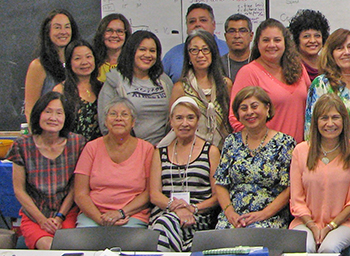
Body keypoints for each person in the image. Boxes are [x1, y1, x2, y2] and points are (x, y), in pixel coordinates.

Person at [290, 93, 350, 253]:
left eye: (335, 117)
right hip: (305, 222)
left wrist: (330, 227)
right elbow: (297, 200)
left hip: (346, 223)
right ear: (315, 122)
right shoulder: (300, 151)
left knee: (328, 248)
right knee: (305, 248)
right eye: (324, 118)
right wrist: (312, 226)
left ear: (343, 120)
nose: (330, 123)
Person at [7, 92, 87, 249]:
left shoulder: (77, 143)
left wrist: (60, 216)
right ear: (38, 114)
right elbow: (19, 191)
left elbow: (74, 188)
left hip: (67, 214)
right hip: (35, 215)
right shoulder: (22, 145)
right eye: (48, 111)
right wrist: (42, 220)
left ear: (66, 117)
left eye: (59, 113)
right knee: (48, 246)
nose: (53, 118)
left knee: (67, 247)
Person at [216, 86, 295, 229]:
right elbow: (221, 184)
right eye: (243, 108)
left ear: (267, 109)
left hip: (269, 217)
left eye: (254, 106)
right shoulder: (230, 142)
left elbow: (289, 189)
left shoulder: (285, 143)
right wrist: (230, 213)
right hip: (234, 217)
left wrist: (263, 214)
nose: (249, 112)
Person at [148, 97, 221, 252]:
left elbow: (217, 196)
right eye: (179, 118)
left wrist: (192, 208)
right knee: (166, 223)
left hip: (198, 216)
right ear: (171, 121)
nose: (185, 123)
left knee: (164, 229)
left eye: (190, 118)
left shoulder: (211, 151)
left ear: (198, 120)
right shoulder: (159, 152)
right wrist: (176, 208)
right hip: (165, 213)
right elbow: (154, 194)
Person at [73, 97, 154, 228]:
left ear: (133, 122)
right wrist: (100, 219)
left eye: (124, 114)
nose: (118, 118)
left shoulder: (147, 149)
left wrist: (120, 213)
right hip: (94, 215)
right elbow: (80, 194)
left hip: (131, 215)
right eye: (113, 114)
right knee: (85, 241)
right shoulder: (91, 147)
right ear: (105, 121)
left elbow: (149, 192)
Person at [229, 19, 310, 141]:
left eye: (277, 40)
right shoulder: (249, 73)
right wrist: (261, 146)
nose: (272, 45)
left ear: (285, 43)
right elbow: (236, 118)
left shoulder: (299, 68)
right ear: (257, 44)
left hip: (300, 153)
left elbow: (311, 105)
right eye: (266, 40)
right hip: (268, 154)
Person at [98, 31, 173, 146]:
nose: (148, 55)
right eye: (142, 49)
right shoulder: (115, 80)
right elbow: (105, 124)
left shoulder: (164, 81)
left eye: (152, 51)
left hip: (161, 150)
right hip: (127, 150)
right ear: (131, 51)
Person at [169, 29, 233, 147]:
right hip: (192, 152)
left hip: (223, 150)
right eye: (194, 50)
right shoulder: (180, 87)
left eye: (205, 49)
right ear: (188, 56)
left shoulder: (225, 84)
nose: (200, 55)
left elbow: (232, 121)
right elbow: (172, 125)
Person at [305, 28, 350, 143]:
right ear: (331, 54)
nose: (347, 52)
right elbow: (310, 128)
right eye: (339, 48)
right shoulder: (322, 84)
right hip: (332, 153)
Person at [25, 9, 79, 123]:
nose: (63, 32)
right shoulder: (38, 66)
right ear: (48, 32)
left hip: (77, 136)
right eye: (57, 27)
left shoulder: (80, 64)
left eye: (67, 27)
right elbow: (30, 109)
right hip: (49, 135)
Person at [163, 3, 229, 81]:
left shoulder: (228, 50)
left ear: (213, 25)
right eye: (192, 21)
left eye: (203, 20)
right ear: (187, 26)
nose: (197, 24)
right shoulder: (172, 55)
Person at [52, 39, 102, 140]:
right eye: (77, 58)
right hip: (71, 149)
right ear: (69, 62)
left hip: (99, 151)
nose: (84, 62)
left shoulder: (103, 88)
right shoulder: (61, 90)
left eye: (88, 57)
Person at [289, 9, 330, 80]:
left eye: (317, 36)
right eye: (306, 36)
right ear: (297, 39)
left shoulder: (329, 65)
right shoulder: (291, 66)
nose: (312, 40)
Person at [92, 13, 131, 82]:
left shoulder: (133, 64)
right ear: (102, 33)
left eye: (119, 31)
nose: (114, 35)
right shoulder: (92, 63)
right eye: (109, 30)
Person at [221, 14, 254, 81]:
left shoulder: (260, 62)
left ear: (251, 36)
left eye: (242, 31)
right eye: (232, 31)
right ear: (225, 36)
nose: (237, 36)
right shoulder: (217, 64)